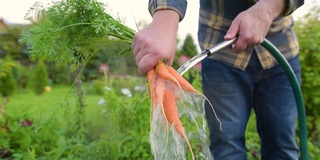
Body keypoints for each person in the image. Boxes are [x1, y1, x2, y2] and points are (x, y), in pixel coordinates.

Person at [132, 0, 304, 159]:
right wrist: (164, 19)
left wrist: (267, 9)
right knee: (226, 146)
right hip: (221, 51)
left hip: (281, 48)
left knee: (283, 147)